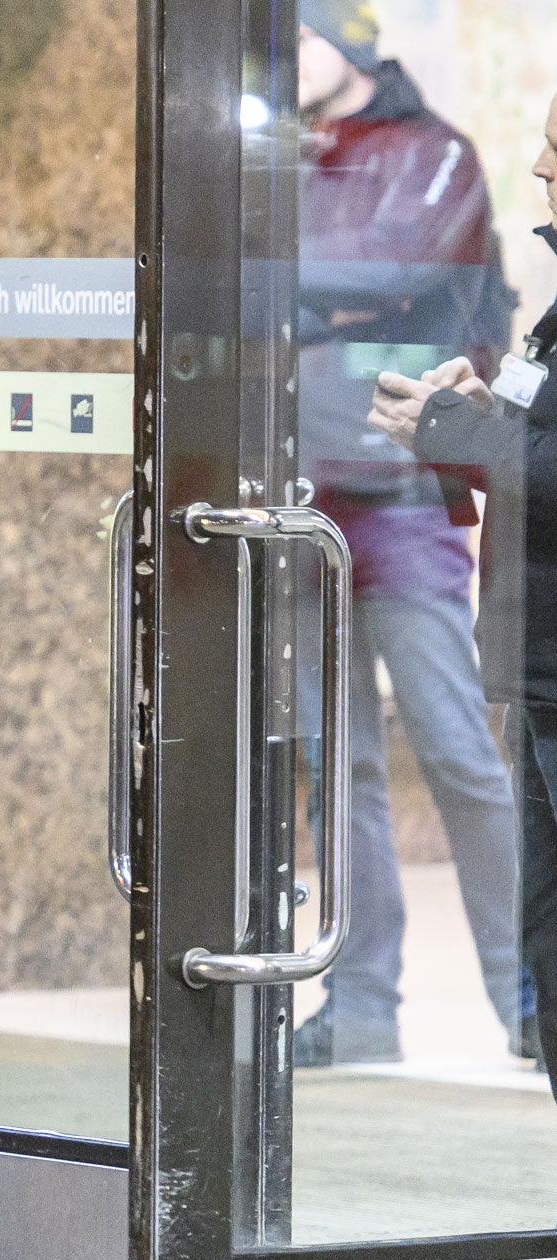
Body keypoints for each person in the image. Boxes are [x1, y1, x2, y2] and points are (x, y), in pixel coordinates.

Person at [292, 0, 525, 1066]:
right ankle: (357, 1011)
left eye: (286, 35)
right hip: (292, 498)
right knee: (331, 766)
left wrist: (292, 291)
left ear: (340, 44)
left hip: (403, 501)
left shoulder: (428, 151)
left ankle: (525, 997)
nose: (268, 61)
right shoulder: (271, 159)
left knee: (455, 753)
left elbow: (392, 270)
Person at [370, 86, 557, 1091]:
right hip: (536, 678)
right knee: (546, 954)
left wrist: (450, 434)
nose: (537, 168)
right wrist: (485, 411)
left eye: (555, 147)